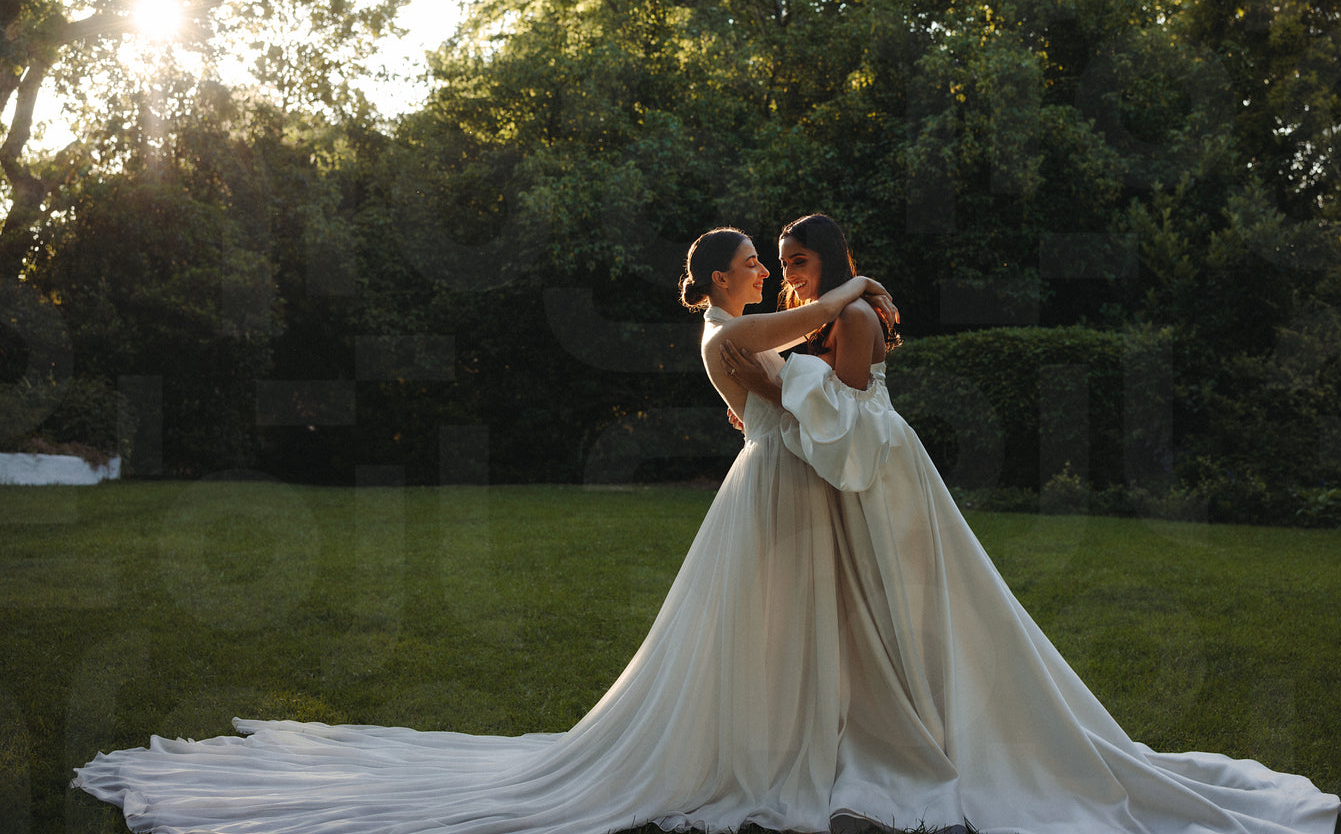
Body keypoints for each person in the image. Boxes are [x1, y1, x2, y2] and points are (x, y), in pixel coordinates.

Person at [72, 226, 903, 834]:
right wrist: (856, 287)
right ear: (721, 278)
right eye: (753, 260)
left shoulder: (734, 331)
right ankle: (763, 752)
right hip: (772, 488)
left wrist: (818, 350)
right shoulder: (729, 329)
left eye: (766, 260)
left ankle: (786, 739)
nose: (764, 269)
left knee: (775, 624)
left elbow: (796, 372)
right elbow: (804, 333)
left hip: (780, 478)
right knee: (765, 622)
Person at [720, 212, 1341, 834]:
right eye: (784, 263)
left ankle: (928, 735)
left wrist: (777, 394)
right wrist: (775, 403)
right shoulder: (829, 315)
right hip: (852, 476)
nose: (789, 275)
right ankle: (875, 726)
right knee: (872, 613)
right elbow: (819, 409)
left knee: (906, 607)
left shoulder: (854, 317)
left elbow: (847, 422)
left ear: (828, 258)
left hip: (880, 476)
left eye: (799, 262)